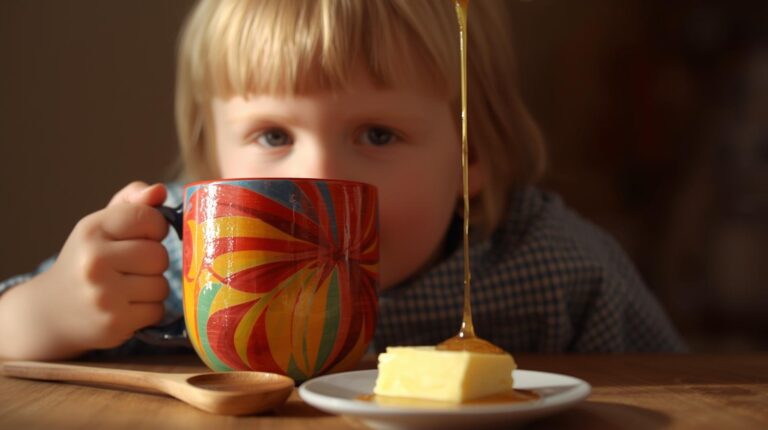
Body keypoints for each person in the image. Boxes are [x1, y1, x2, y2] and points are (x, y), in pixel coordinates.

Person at [0, 0, 684, 360]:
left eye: (378, 135)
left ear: (473, 157)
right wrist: (52, 311)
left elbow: (687, 395)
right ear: (212, 166)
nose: (316, 177)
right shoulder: (178, 256)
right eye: (273, 136)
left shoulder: (555, 266)